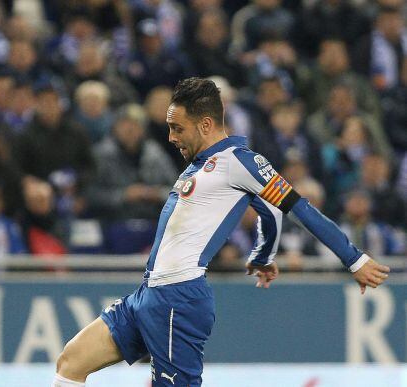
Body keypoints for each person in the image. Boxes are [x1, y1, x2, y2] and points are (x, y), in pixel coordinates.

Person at [52, 78, 391, 387]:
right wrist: (262, 254)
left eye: (177, 127)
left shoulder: (238, 161)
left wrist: (354, 259)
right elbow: (268, 210)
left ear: (206, 124)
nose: (170, 137)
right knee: (72, 360)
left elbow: (295, 208)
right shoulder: (203, 163)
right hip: (149, 294)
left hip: (178, 298)